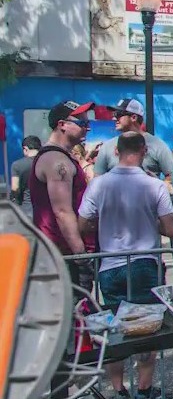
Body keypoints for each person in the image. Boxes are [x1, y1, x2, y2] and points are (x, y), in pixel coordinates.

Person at [78, 132, 173, 399]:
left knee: (115, 331)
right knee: (148, 326)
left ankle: (119, 389)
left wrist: (104, 224)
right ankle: (144, 389)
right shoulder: (153, 185)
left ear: (116, 152)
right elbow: (170, 229)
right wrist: (150, 221)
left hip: (109, 264)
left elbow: (82, 224)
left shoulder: (98, 185)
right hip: (146, 261)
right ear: (143, 151)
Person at [29, 101, 97, 291]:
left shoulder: (61, 158)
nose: (88, 128)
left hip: (60, 254)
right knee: (70, 315)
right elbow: (62, 211)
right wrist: (81, 257)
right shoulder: (57, 160)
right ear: (62, 125)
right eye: (82, 124)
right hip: (62, 256)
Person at [93, 98, 173, 178]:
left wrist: (158, 188)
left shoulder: (157, 145)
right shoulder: (107, 146)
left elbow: (171, 176)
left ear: (134, 117)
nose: (114, 118)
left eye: (118, 114)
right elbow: (97, 178)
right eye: (114, 115)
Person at [9, 135, 41, 217]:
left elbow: (15, 188)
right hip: (45, 211)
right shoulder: (47, 162)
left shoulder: (17, 165)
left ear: (25, 149)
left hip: (27, 211)